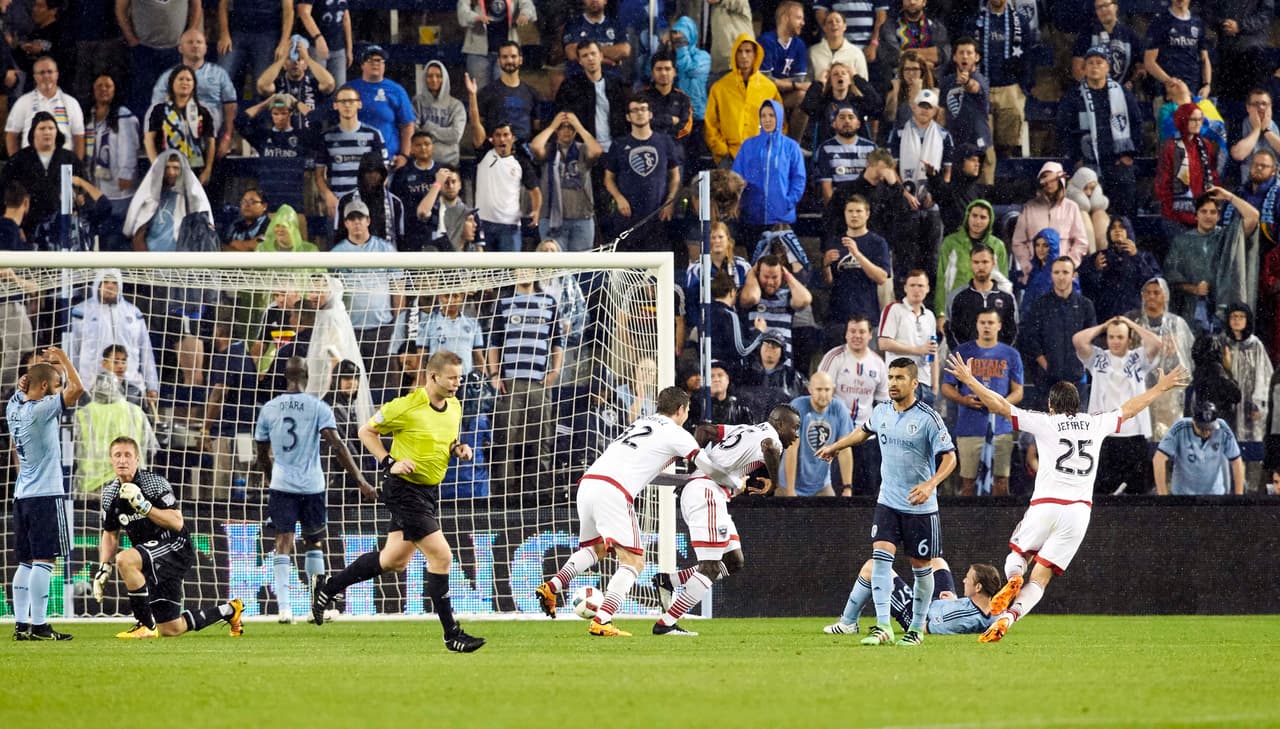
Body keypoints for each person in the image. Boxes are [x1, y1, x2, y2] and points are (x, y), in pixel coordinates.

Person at [944, 353, 1188, 642]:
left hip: (1045, 505)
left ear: (1051, 406)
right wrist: (1160, 388)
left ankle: (1012, 579)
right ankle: (1009, 618)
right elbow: (1130, 409)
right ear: (1077, 405)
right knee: (1041, 579)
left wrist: (970, 380)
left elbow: (1000, 405)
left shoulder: (1044, 422)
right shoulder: (1094, 423)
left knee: (1018, 554)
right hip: (1078, 512)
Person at [311, 350, 485, 652]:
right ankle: (451, 633)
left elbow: (444, 439)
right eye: (452, 377)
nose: (458, 382)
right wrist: (389, 461)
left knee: (394, 560)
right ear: (433, 377)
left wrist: (458, 448)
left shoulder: (454, 406)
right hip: (404, 490)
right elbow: (365, 431)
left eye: (460, 376)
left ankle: (328, 586)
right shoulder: (407, 405)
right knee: (441, 557)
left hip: (428, 492)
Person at [534, 386, 703, 634]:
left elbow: (651, 477)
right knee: (634, 561)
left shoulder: (640, 424)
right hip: (613, 492)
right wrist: (731, 482)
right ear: (681, 410)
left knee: (596, 549)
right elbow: (707, 465)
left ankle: (553, 585)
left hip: (589, 483)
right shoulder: (676, 433)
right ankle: (602, 620)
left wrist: (685, 480)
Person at [816, 357, 957, 646]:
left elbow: (950, 457)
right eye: (890, 377)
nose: (893, 383)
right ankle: (883, 627)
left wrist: (931, 484)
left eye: (900, 378)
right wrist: (835, 446)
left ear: (914, 383)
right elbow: (863, 432)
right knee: (880, 560)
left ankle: (916, 630)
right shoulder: (881, 412)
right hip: (888, 502)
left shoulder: (928, 418)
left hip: (920, 507)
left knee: (921, 569)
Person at [652, 406, 801, 635]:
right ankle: (667, 623)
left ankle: (669, 580)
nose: (797, 435)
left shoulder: (744, 429)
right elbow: (770, 447)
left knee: (734, 561)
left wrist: (695, 470)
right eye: (795, 428)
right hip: (708, 494)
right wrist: (775, 485)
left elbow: (703, 431)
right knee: (710, 567)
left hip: (709, 493)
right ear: (780, 424)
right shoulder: (773, 439)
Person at [254, 357, 373, 624]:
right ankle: (315, 607)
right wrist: (360, 480)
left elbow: (261, 453)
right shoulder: (319, 407)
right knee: (314, 544)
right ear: (307, 376)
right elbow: (338, 446)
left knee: (282, 543)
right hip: (312, 486)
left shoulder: (269, 409)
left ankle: (284, 609)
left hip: (282, 486)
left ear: (285, 376)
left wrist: (273, 477)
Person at [91, 436, 244, 639]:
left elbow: (177, 522)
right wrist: (104, 567)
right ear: (111, 460)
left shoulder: (154, 483)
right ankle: (230, 610)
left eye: (127, 455)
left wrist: (144, 506)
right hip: (151, 557)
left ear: (137, 459)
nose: (122, 460)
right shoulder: (110, 494)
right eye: (117, 455)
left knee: (125, 559)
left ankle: (145, 625)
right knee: (171, 628)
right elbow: (110, 533)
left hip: (175, 545)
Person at [8, 347, 82, 640]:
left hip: (22, 495)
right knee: (44, 561)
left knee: (25, 563)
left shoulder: (13, 408)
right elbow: (78, 389)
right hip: (45, 495)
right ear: (43, 387)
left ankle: (21, 624)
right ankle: (39, 626)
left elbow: (20, 392)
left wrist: (27, 382)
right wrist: (63, 359)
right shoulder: (42, 409)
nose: (59, 390)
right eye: (55, 385)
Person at [942, 308, 1023, 496]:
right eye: (983, 322)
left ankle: (999, 525)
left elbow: (1018, 392)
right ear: (977, 325)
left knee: (1001, 482)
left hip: (1001, 428)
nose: (987, 326)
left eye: (991, 323)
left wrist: (1000, 405)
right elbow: (947, 386)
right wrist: (964, 399)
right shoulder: (962, 351)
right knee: (968, 482)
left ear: (999, 326)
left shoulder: (1010, 354)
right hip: (970, 427)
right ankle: (969, 525)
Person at [1056, 48, 1143, 219]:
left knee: (1126, 199)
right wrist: (1077, 159)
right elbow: (1063, 129)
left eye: (1099, 62)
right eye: (1090, 63)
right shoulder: (1074, 97)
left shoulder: (1123, 93)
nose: (1094, 66)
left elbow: (1137, 123)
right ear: (1084, 68)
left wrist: (1129, 156)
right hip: (1087, 162)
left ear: (1107, 67)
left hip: (1118, 160)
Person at [1164, 188, 1259, 333]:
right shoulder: (1181, 241)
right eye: (1203, 211)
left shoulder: (1227, 237)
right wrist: (1194, 289)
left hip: (1222, 309)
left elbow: (1253, 216)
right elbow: (1171, 277)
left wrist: (1228, 196)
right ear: (1196, 215)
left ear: (1219, 216)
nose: (1208, 216)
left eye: (1213, 212)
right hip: (1191, 310)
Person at [824, 557, 1000, 636]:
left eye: (968, 579)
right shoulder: (995, 611)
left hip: (919, 615)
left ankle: (848, 623)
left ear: (978, 587)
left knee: (872, 567)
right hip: (944, 605)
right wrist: (953, 601)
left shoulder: (958, 618)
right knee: (938, 561)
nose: (963, 580)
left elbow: (924, 628)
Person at [68, 269, 160, 414]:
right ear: (97, 285)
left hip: (130, 384)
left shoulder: (133, 313)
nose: (110, 286)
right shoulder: (81, 312)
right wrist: (70, 384)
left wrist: (152, 385)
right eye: (105, 282)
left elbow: (146, 351)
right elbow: (73, 351)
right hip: (91, 385)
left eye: (114, 282)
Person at [604, 96, 679, 252]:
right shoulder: (619, 144)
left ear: (650, 114)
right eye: (635, 110)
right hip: (628, 215)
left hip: (657, 214)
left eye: (643, 109)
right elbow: (608, 179)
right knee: (626, 269)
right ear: (628, 116)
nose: (640, 113)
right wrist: (619, 198)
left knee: (656, 268)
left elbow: (675, 176)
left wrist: (670, 201)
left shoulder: (665, 142)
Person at [151, 30, 237, 160]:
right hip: (176, 142)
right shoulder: (167, 77)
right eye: (190, 42)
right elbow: (157, 108)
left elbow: (230, 105)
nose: (195, 46)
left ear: (206, 47)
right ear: (180, 48)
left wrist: (227, 137)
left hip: (212, 140)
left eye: (199, 42)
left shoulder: (219, 74)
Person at [967, 0, 1030, 162]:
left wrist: (1023, 87)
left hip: (1009, 88)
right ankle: (985, 184)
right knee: (984, 146)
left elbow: (1028, 57)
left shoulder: (1020, 21)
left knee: (1007, 146)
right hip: (981, 86)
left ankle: (1005, 182)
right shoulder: (974, 20)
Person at [733, 100, 806, 239]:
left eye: (772, 115)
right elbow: (736, 176)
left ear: (779, 117)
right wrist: (743, 203)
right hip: (753, 215)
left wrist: (787, 202)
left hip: (781, 217)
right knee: (755, 258)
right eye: (763, 116)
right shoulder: (748, 145)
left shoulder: (791, 146)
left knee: (780, 258)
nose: (767, 120)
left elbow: (798, 178)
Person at [705, 34, 782, 165]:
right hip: (729, 156)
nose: (744, 56)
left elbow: (780, 122)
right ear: (734, 54)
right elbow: (710, 123)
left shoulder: (769, 88)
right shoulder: (720, 87)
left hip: (761, 156)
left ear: (755, 54)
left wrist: (770, 147)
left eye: (748, 51)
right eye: (739, 51)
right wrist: (722, 150)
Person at [821, 195, 890, 337]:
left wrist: (857, 254)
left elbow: (882, 277)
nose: (854, 215)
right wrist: (825, 265)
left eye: (858, 211)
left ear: (867, 214)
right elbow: (828, 282)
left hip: (866, 314)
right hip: (838, 317)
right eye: (850, 211)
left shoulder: (877, 242)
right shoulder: (835, 242)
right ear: (845, 214)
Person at [1011, 162, 1089, 286]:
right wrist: (1028, 265)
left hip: (1064, 275)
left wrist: (1069, 264)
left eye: (1053, 179)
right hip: (1035, 273)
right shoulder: (1029, 207)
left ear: (1060, 181)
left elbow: (1081, 242)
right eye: (1045, 178)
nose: (1049, 183)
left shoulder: (1071, 207)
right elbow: (1018, 242)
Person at [315, 85, 386, 219]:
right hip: (338, 203)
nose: (347, 105)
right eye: (342, 102)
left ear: (359, 104)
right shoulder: (327, 137)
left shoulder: (373, 134)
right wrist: (328, 196)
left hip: (366, 205)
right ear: (336, 106)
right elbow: (319, 175)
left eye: (351, 101)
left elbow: (383, 172)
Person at [781, 371, 853, 497]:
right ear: (810, 389)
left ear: (833, 390)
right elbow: (791, 449)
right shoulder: (796, 407)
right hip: (789, 484)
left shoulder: (839, 409)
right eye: (819, 389)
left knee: (835, 515)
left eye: (827, 389)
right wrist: (790, 491)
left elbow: (845, 449)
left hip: (821, 485)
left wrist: (847, 487)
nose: (823, 394)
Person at [143, 65, 215, 185]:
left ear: (194, 85)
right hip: (167, 169)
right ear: (172, 83)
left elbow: (210, 142)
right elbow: (149, 140)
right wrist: (156, 166)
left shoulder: (202, 112)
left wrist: (208, 169)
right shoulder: (159, 110)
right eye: (180, 79)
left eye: (188, 80)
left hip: (195, 168)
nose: (185, 83)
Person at [1079, 216, 1161, 321]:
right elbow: (1086, 285)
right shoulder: (1099, 257)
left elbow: (1153, 282)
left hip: (1135, 314)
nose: (1117, 230)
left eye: (1122, 227)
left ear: (1129, 231)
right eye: (1113, 227)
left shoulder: (1144, 256)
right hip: (1105, 315)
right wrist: (1095, 269)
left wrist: (1136, 257)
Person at [1154, 401, 1245, 495]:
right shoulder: (1180, 427)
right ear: (1193, 421)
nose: (1206, 432)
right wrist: (1162, 494)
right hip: (1183, 495)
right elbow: (1158, 459)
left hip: (1214, 495)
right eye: (1202, 429)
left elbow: (1236, 461)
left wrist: (1239, 495)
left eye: (1210, 428)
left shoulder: (1222, 428)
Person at [936, 199, 1009, 317]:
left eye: (983, 217)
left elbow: (1003, 282)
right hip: (956, 307)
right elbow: (942, 280)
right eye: (974, 216)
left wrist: (1001, 314)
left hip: (988, 311)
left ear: (990, 220)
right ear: (967, 216)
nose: (977, 221)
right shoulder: (951, 242)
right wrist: (941, 313)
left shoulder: (998, 246)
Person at [1156, 104, 1223, 227]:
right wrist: (1175, 212)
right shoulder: (1170, 147)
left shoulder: (1205, 145)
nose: (1197, 123)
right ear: (1183, 119)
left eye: (1200, 119)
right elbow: (1163, 184)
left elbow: (1213, 176)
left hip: (1201, 215)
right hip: (1175, 217)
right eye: (1193, 119)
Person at [255, 35, 337, 135]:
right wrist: (283, 58)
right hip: (282, 140)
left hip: (310, 140)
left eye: (300, 59)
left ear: (306, 65)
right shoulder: (277, 84)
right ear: (284, 65)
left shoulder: (313, 84)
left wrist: (307, 57)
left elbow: (329, 83)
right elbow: (262, 85)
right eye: (291, 59)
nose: (296, 62)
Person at [347, 45, 415, 164]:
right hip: (353, 157)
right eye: (370, 60)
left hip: (387, 158)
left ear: (384, 65)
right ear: (362, 65)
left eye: (379, 60)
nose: (375, 63)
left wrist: (404, 155)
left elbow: (408, 125)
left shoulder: (396, 90)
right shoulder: (349, 89)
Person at [5, 55, 84, 158]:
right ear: (35, 76)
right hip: (31, 165)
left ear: (57, 75)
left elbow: (79, 138)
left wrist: (77, 168)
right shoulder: (23, 102)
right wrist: (16, 165)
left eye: (50, 72)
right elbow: (11, 135)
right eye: (42, 72)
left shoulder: (72, 103)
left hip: (64, 165)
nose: (46, 76)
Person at [879, 270, 939, 403]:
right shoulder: (894, 309)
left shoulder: (929, 316)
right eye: (912, 285)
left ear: (928, 288)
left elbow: (933, 351)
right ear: (905, 287)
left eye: (920, 286)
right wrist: (918, 350)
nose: (916, 290)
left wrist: (935, 386)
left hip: (925, 383)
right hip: (901, 382)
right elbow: (884, 343)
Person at [466, 42, 541, 144]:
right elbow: (477, 128)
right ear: (499, 61)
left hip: (523, 153)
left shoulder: (532, 93)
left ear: (521, 60)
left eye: (513, 56)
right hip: (496, 151)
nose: (509, 60)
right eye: (505, 57)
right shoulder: (486, 92)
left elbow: (536, 127)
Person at [1222, 303, 1272, 443]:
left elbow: (1264, 375)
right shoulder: (1221, 342)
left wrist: (1258, 403)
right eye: (1233, 316)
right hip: (1227, 403)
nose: (1237, 320)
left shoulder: (1255, 345)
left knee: (1250, 443)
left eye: (1241, 316)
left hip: (1249, 404)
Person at [458, 0, 535, 91]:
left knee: (504, 92)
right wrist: (476, 17)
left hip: (506, 54)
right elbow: (462, 13)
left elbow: (528, 5)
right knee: (480, 94)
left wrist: (525, 14)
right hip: (478, 52)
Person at [1070, 0, 1144, 88]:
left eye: (1106, 5)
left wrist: (1131, 82)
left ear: (1116, 6)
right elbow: (1077, 71)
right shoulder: (1087, 34)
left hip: (1122, 95)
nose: (1103, 10)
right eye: (1098, 7)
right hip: (1092, 94)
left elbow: (1142, 68)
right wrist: (1100, 88)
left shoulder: (1130, 36)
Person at [412, 61, 465, 167]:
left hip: (449, 164)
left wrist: (428, 127)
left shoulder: (456, 105)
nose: (434, 80)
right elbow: (415, 131)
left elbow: (455, 135)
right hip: (422, 163)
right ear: (424, 78)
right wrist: (443, 134)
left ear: (444, 78)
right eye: (430, 76)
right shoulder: (417, 102)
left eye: (438, 76)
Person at [296, 0, 352, 86]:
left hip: (338, 46)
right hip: (315, 46)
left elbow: (345, 17)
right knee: (316, 86)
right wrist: (318, 38)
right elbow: (303, 12)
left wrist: (349, 48)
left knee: (339, 89)